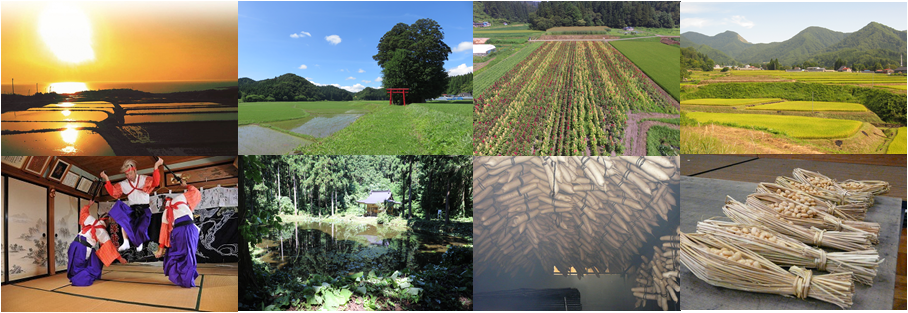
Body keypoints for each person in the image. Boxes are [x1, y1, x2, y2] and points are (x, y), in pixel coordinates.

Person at [101, 158, 163, 252]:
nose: (128, 176)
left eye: (130, 173)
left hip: (144, 208)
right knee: (124, 219)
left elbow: (156, 182)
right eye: (126, 174)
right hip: (132, 208)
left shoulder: (144, 179)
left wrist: (156, 166)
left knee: (141, 227)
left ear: (135, 170)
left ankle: (139, 242)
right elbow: (113, 192)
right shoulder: (124, 184)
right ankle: (126, 242)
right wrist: (106, 178)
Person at [67, 201, 127, 286]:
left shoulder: (90, 219)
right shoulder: (103, 232)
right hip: (83, 248)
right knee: (80, 268)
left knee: (75, 265)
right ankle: (79, 280)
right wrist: (120, 259)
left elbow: (83, 212)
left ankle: (75, 277)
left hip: (74, 245)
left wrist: (88, 205)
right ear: (106, 223)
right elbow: (111, 249)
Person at [154, 180, 201, 288]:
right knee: (186, 254)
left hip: (181, 230)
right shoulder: (178, 200)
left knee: (180, 255)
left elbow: (163, 232)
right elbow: (195, 192)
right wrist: (186, 185)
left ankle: (185, 280)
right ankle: (185, 280)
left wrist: (161, 250)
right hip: (188, 229)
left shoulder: (168, 210)